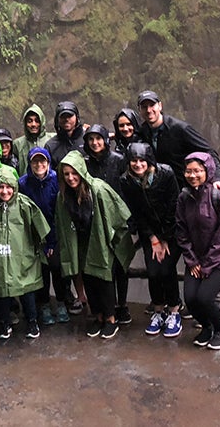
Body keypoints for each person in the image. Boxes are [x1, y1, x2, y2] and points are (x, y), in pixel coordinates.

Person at [55, 151, 134, 339]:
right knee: (88, 279)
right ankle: (98, 316)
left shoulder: (98, 189)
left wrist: (112, 240)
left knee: (103, 279)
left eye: (74, 173)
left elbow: (118, 214)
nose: (71, 178)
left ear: (81, 171)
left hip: (101, 239)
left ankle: (111, 319)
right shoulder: (63, 195)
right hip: (82, 241)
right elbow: (63, 221)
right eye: (66, 174)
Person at [0, 166, 50, 339]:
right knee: (1, 288)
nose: (5, 191)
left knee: (26, 287)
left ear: (15, 187)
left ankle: (32, 321)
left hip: (22, 253)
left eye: (9, 187)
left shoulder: (24, 203)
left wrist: (39, 247)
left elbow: (40, 227)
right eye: (1, 187)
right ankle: (4, 322)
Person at [120, 142, 183, 337]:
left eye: (141, 160)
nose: (138, 165)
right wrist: (154, 239)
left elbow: (174, 205)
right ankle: (158, 311)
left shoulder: (166, 174)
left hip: (172, 230)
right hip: (150, 232)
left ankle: (174, 310)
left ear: (149, 160)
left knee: (167, 269)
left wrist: (165, 238)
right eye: (133, 161)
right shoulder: (127, 181)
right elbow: (135, 212)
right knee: (153, 271)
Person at [176, 152, 220, 350]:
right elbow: (181, 230)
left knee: (205, 298)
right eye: (189, 171)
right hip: (197, 260)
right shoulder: (184, 197)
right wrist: (192, 261)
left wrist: (208, 264)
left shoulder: (219, 197)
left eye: (198, 171)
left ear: (207, 171)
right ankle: (208, 327)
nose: (193, 175)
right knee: (191, 299)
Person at [83, 124, 131, 324]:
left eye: (98, 138)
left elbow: (127, 187)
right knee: (105, 266)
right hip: (96, 220)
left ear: (106, 140)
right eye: (91, 139)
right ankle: (107, 307)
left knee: (121, 264)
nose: (95, 143)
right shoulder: (85, 164)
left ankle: (123, 304)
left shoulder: (118, 160)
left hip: (118, 216)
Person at [18, 147, 71, 325]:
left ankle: (62, 303)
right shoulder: (23, 183)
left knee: (58, 269)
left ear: (48, 163)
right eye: (35, 161)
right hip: (34, 237)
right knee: (41, 272)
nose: (39, 165)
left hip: (55, 234)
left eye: (42, 161)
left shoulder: (57, 180)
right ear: (30, 163)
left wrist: (53, 241)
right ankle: (45, 305)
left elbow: (60, 212)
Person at [45, 101, 88, 314]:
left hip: (88, 201)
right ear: (57, 121)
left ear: (77, 118)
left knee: (89, 249)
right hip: (63, 204)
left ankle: (97, 293)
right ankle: (79, 295)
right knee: (71, 251)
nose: (67, 120)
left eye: (70, 116)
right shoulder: (52, 146)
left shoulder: (85, 139)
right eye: (62, 117)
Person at [137, 90, 220, 192]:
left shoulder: (180, 129)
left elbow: (209, 152)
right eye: (144, 107)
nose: (148, 110)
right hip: (161, 191)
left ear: (160, 106)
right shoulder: (142, 132)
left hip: (185, 189)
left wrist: (218, 179)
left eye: (152, 105)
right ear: (139, 110)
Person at [13, 104, 54, 175]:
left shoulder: (52, 139)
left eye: (37, 121)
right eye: (29, 121)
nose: (33, 124)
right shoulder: (17, 144)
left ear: (42, 122)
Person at [44, 101, 86, 169]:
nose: (66, 119)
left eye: (69, 116)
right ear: (57, 119)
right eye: (63, 116)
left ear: (77, 118)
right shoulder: (50, 146)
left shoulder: (87, 140)